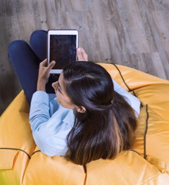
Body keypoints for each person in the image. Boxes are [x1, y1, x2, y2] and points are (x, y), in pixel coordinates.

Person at [8, 30, 141, 165]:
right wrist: (86, 68)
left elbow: (38, 120)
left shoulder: (52, 138)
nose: (53, 84)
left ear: (80, 109)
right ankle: (64, 82)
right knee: (38, 37)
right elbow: (104, 82)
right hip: (72, 89)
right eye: (57, 82)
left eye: (58, 87)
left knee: (16, 48)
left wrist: (41, 83)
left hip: (48, 104)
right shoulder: (130, 104)